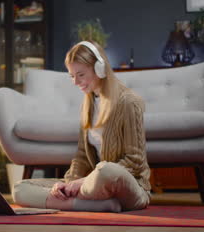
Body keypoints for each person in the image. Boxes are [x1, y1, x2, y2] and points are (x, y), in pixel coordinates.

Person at [12, 41, 151, 212]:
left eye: (81, 75)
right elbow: (82, 156)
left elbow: (135, 161)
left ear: (99, 69)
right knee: (20, 189)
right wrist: (69, 183)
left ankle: (78, 201)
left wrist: (83, 182)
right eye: (72, 76)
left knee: (106, 170)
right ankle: (95, 205)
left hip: (125, 186)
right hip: (92, 185)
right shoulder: (89, 103)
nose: (75, 82)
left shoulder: (128, 102)